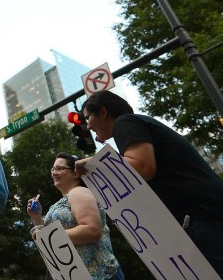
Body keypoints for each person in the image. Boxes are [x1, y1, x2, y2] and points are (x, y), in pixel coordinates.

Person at [74, 90, 223, 276]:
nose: (87, 126)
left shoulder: (124, 123)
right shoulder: (136, 124)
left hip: (201, 218)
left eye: (87, 118)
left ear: (103, 112)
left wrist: (93, 163)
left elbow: (143, 166)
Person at [27, 152, 123, 280]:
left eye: (60, 168)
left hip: (99, 275)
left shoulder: (78, 192)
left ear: (75, 173)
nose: (54, 173)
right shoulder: (60, 202)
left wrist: (50, 236)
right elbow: (47, 242)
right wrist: (37, 218)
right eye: (53, 169)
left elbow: (92, 230)